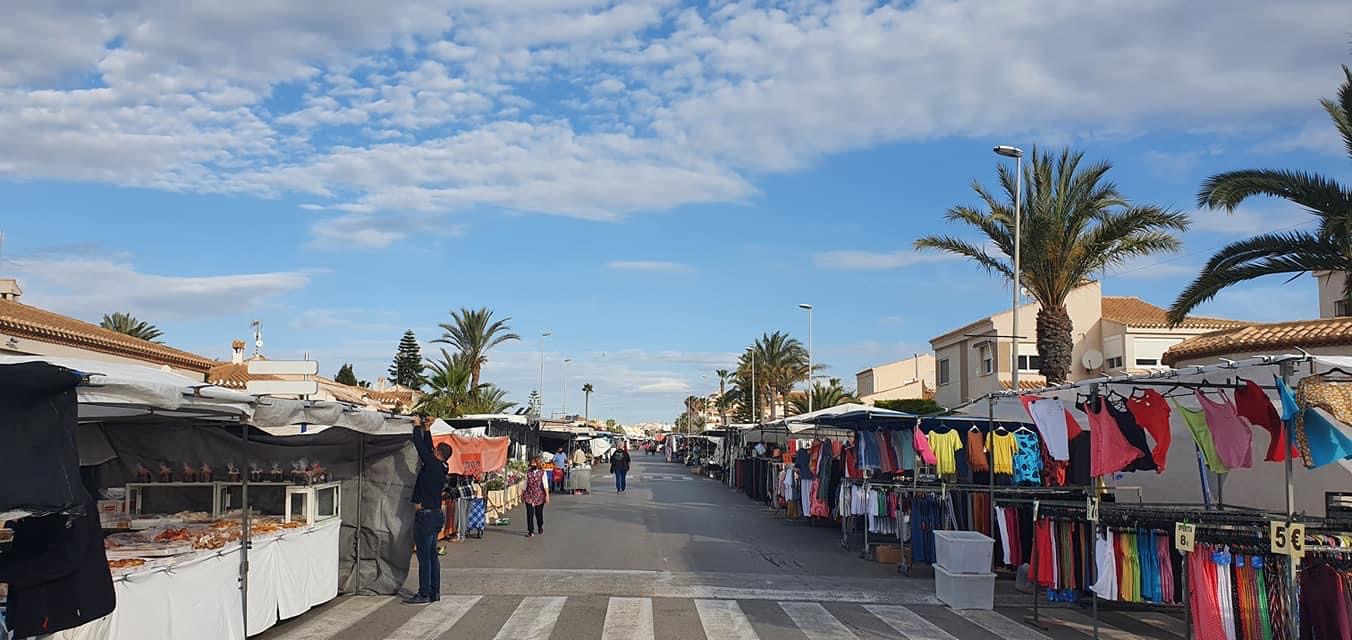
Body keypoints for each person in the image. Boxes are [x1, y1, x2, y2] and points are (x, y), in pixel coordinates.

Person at [405, 415, 450, 605]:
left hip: (425, 516)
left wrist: (416, 427)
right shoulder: (442, 466)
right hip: (436, 515)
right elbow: (429, 449)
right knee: (432, 556)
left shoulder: (432, 464)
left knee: (424, 558)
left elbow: (422, 448)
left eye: (435, 450)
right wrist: (427, 429)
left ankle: (423, 593)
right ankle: (434, 592)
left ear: (438, 453)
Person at [523, 458, 550, 537]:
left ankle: (540, 525)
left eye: (534, 463)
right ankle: (530, 531)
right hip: (529, 494)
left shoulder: (542, 472)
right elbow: (525, 484)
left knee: (539, 513)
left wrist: (547, 496)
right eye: (532, 463)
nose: (533, 465)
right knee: (529, 514)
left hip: (539, 495)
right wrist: (522, 494)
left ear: (538, 464)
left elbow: (545, 485)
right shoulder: (528, 472)